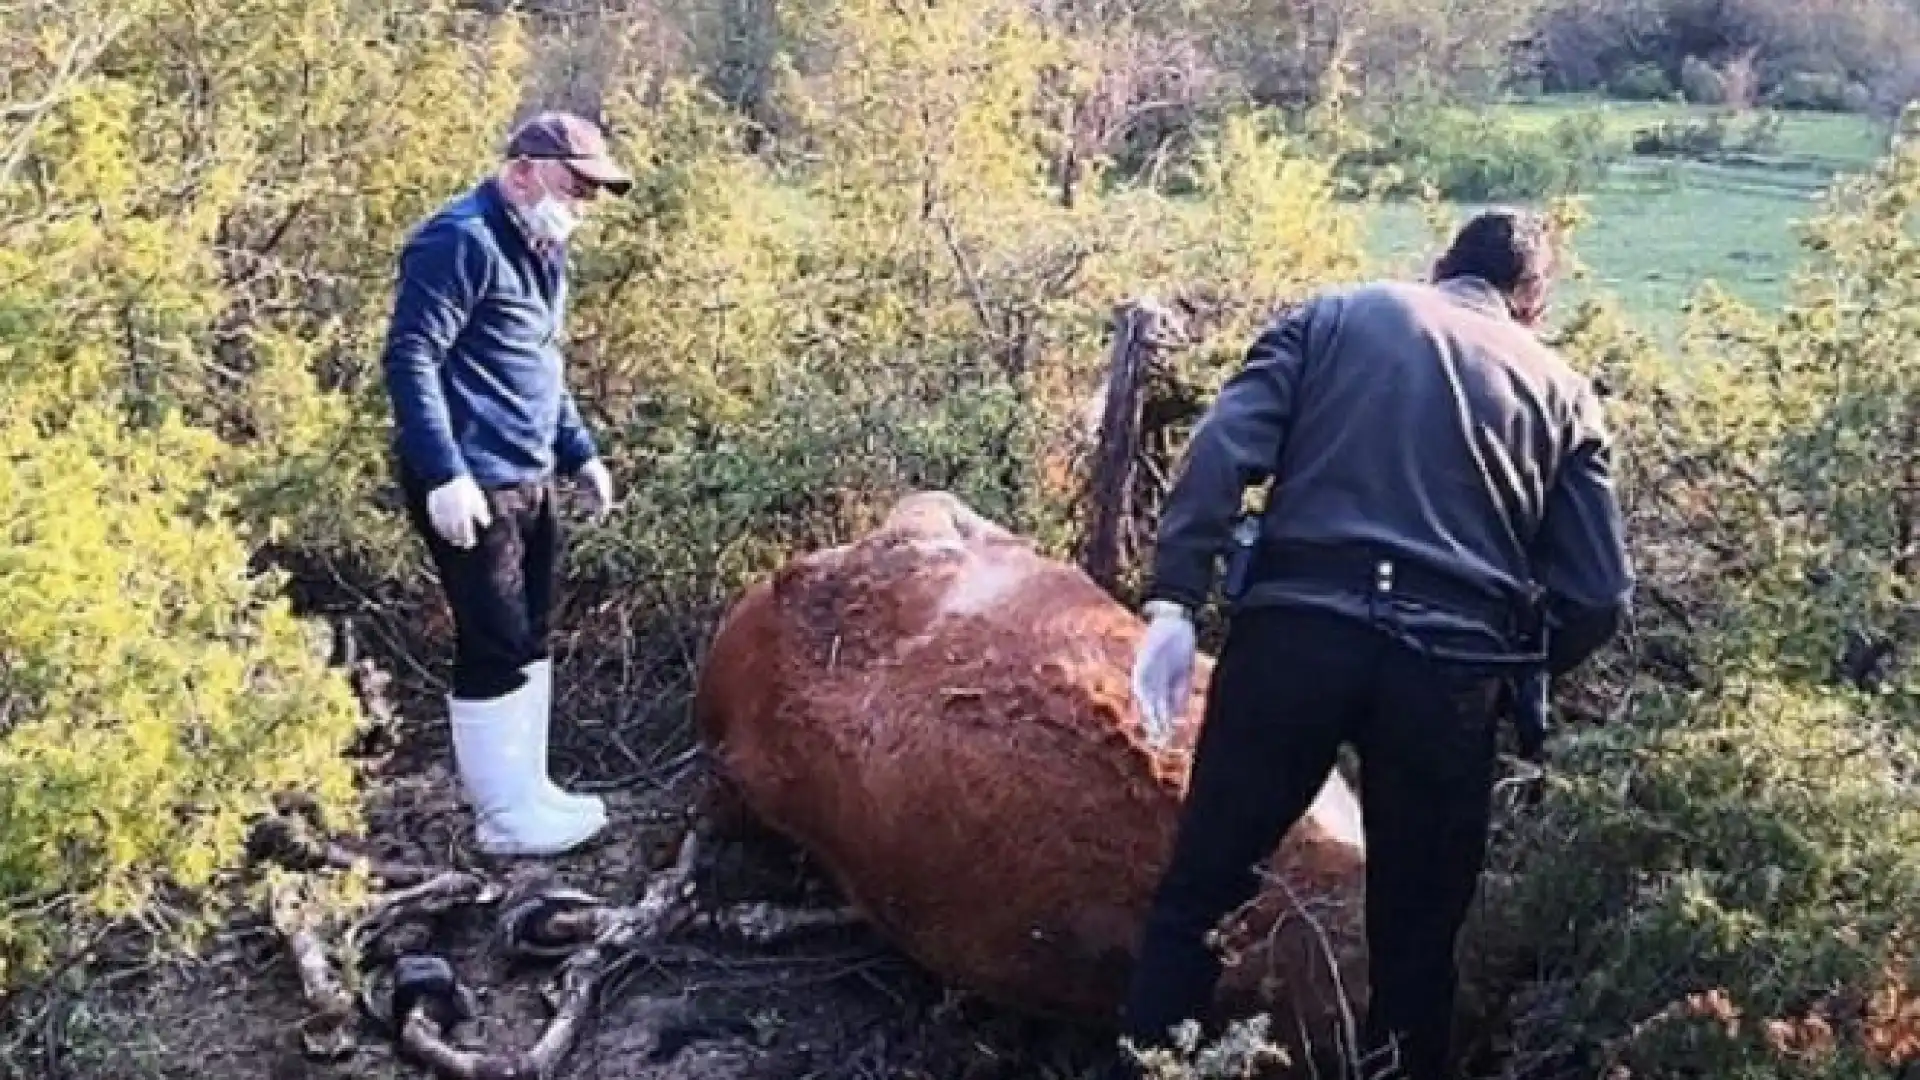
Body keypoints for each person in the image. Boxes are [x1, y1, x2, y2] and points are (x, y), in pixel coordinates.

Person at [1113, 208, 1634, 1079]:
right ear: (1532, 301)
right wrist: (1520, 675)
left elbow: (1219, 451)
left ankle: (1149, 1066)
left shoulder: (1329, 316)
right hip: (1447, 679)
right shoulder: (1565, 391)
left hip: (1294, 641)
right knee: (1417, 948)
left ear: (1439, 265)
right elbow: (1600, 594)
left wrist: (1172, 600)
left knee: (1198, 899)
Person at [379, 110, 633, 858]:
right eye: (575, 183)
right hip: (474, 480)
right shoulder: (459, 239)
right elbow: (412, 357)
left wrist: (579, 451)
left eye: (594, 190)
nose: (583, 202)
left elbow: (540, 364)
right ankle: (502, 820)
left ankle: (531, 791)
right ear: (523, 169)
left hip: (531, 471)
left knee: (529, 634)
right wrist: (444, 473)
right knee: (492, 641)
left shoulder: (544, 248)